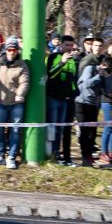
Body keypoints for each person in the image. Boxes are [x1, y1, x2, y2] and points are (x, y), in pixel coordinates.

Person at [0, 37, 30, 168]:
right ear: (5, 50)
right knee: (0, 130)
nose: (12, 52)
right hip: (1, 102)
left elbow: (24, 82)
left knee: (15, 130)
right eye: (9, 49)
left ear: (17, 50)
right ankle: (0, 155)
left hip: (16, 104)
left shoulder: (22, 65)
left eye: (14, 49)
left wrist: (20, 94)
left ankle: (11, 156)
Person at [46, 35, 78, 164]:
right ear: (61, 45)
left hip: (67, 99)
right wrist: (61, 62)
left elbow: (73, 78)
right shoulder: (54, 57)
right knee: (53, 127)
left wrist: (74, 92)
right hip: (53, 97)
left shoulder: (73, 60)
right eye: (66, 45)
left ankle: (59, 155)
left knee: (61, 128)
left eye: (71, 45)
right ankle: (52, 154)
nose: (69, 48)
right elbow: (50, 74)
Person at [75, 37, 103, 167]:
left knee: (92, 132)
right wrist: (99, 76)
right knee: (84, 130)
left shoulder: (102, 61)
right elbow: (85, 84)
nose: (98, 48)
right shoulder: (88, 62)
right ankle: (85, 156)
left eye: (100, 46)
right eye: (96, 45)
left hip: (94, 102)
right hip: (82, 100)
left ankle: (89, 156)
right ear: (92, 47)